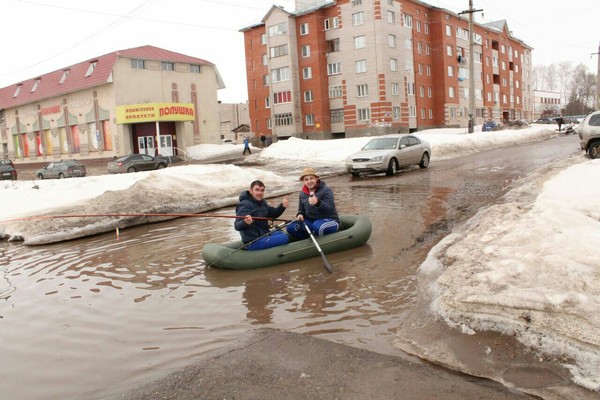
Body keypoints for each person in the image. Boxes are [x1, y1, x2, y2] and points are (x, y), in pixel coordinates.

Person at [235, 180, 289, 250]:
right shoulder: (244, 205)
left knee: (280, 233)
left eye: (262, 190)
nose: (260, 193)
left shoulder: (262, 202)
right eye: (257, 190)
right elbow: (237, 226)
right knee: (284, 238)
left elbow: (273, 214)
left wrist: (282, 206)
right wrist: (245, 222)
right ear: (251, 191)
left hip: (263, 235)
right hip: (254, 241)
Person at [286, 167, 339, 240]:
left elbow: (330, 209)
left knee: (317, 226)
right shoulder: (302, 194)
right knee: (290, 227)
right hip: (311, 222)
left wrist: (318, 203)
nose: (309, 181)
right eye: (306, 179)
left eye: (311, 178)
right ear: (303, 182)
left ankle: (318, 239)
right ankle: (307, 241)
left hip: (329, 220)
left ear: (316, 179)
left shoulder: (326, 190)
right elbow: (301, 209)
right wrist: (300, 214)